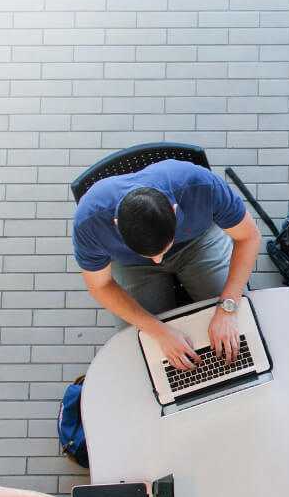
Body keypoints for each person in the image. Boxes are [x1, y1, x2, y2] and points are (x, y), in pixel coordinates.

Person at [72, 158, 261, 370]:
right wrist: (159, 331)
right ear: (116, 225)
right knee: (141, 348)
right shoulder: (89, 221)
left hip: (197, 243)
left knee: (239, 322)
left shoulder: (200, 185)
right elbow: (100, 285)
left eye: (162, 250)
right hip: (132, 266)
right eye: (150, 254)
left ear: (173, 210)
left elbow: (249, 237)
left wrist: (227, 309)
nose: (158, 261)